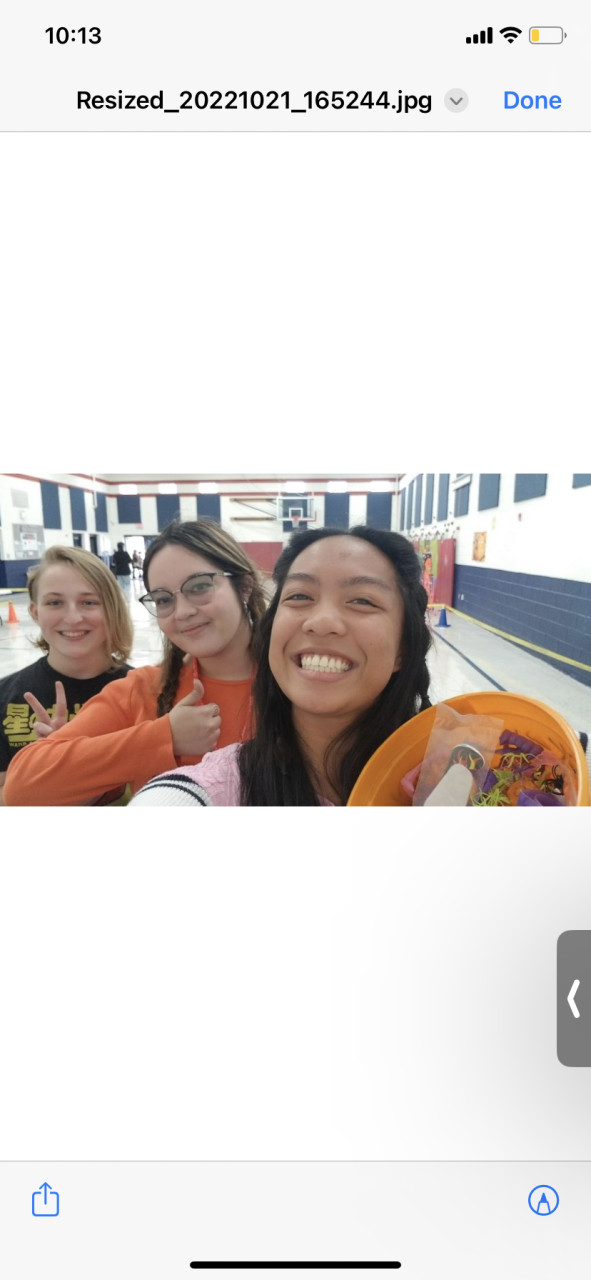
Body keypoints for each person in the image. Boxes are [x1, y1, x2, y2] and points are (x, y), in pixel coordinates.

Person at [130, 525, 433, 806]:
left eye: (363, 601)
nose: (321, 622)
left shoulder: (453, 773)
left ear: (403, 648)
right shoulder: (220, 784)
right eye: (300, 595)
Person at [3, 520, 267, 806]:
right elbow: (21, 788)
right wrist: (163, 737)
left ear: (244, 586)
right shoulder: (141, 691)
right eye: (163, 599)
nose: (182, 612)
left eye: (200, 586)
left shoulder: (294, 685)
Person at [0, 545, 133, 805]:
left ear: (112, 608)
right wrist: (48, 768)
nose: (73, 618)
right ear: (35, 612)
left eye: (89, 602)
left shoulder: (148, 692)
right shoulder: (5, 698)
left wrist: (79, 762)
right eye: (55, 603)